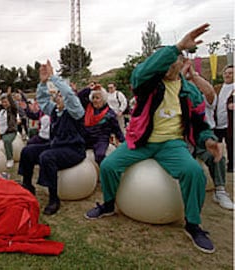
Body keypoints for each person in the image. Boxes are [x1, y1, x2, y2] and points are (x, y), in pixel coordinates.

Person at [84, 24, 221, 254]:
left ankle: (193, 224)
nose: (164, 64)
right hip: (141, 141)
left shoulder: (190, 91)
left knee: (194, 173)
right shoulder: (147, 85)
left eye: (170, 58)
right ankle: (108, 204)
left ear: (181, 63)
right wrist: (176, 46)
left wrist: (208, 140)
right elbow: (139, 73)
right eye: (160, 59)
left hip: (172, 144)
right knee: (108, 165)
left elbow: (200, 125)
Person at [18, 60, 86, 215]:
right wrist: (43, 82)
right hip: (57, 146)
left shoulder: (76, 110)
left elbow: (69, 94)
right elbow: (41, 100)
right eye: (58, 95)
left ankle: (54, 199)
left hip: (73, 149)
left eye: (62, 95)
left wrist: (53, 77)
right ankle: (27, 186)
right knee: (27, 151)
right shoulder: (54, 109)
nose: (60, 97)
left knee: (47, 157)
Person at [181, 60, 233, 210]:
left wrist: (193, 74)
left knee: (216, 157)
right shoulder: (179, 97)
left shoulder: (205, 98)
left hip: (204, 136)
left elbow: (209, 91)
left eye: (194, 81)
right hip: (183, 137)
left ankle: (220, 191)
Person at [77, 85, 124, 165]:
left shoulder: (110, 114)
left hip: (101, 139)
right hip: (86, 137)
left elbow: (117, 130)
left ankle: (103, 174)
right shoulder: (88, 107)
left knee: (100, 155)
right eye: (93, 98)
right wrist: (89, 88)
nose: (94, 100)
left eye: (97, 98)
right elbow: (79, 96)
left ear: (103, 99)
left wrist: (124, 142)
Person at [214, 65, 234, 172]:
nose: (227, 75)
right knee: (216, 146)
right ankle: (217, 166)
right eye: (226, 73)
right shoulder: (218, 88)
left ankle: (231, 165)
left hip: (230, 124)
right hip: (217, 123)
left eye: (230, 73)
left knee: (231, 146)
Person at [0, 86, 18, 168]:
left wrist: (9, 96)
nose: (5, 104)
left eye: (6, 102)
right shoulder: (0, 110)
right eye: (3, 102)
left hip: (10, 131)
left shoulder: (12, 110)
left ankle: (10, 159)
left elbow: (13, 105)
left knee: (6, 140)